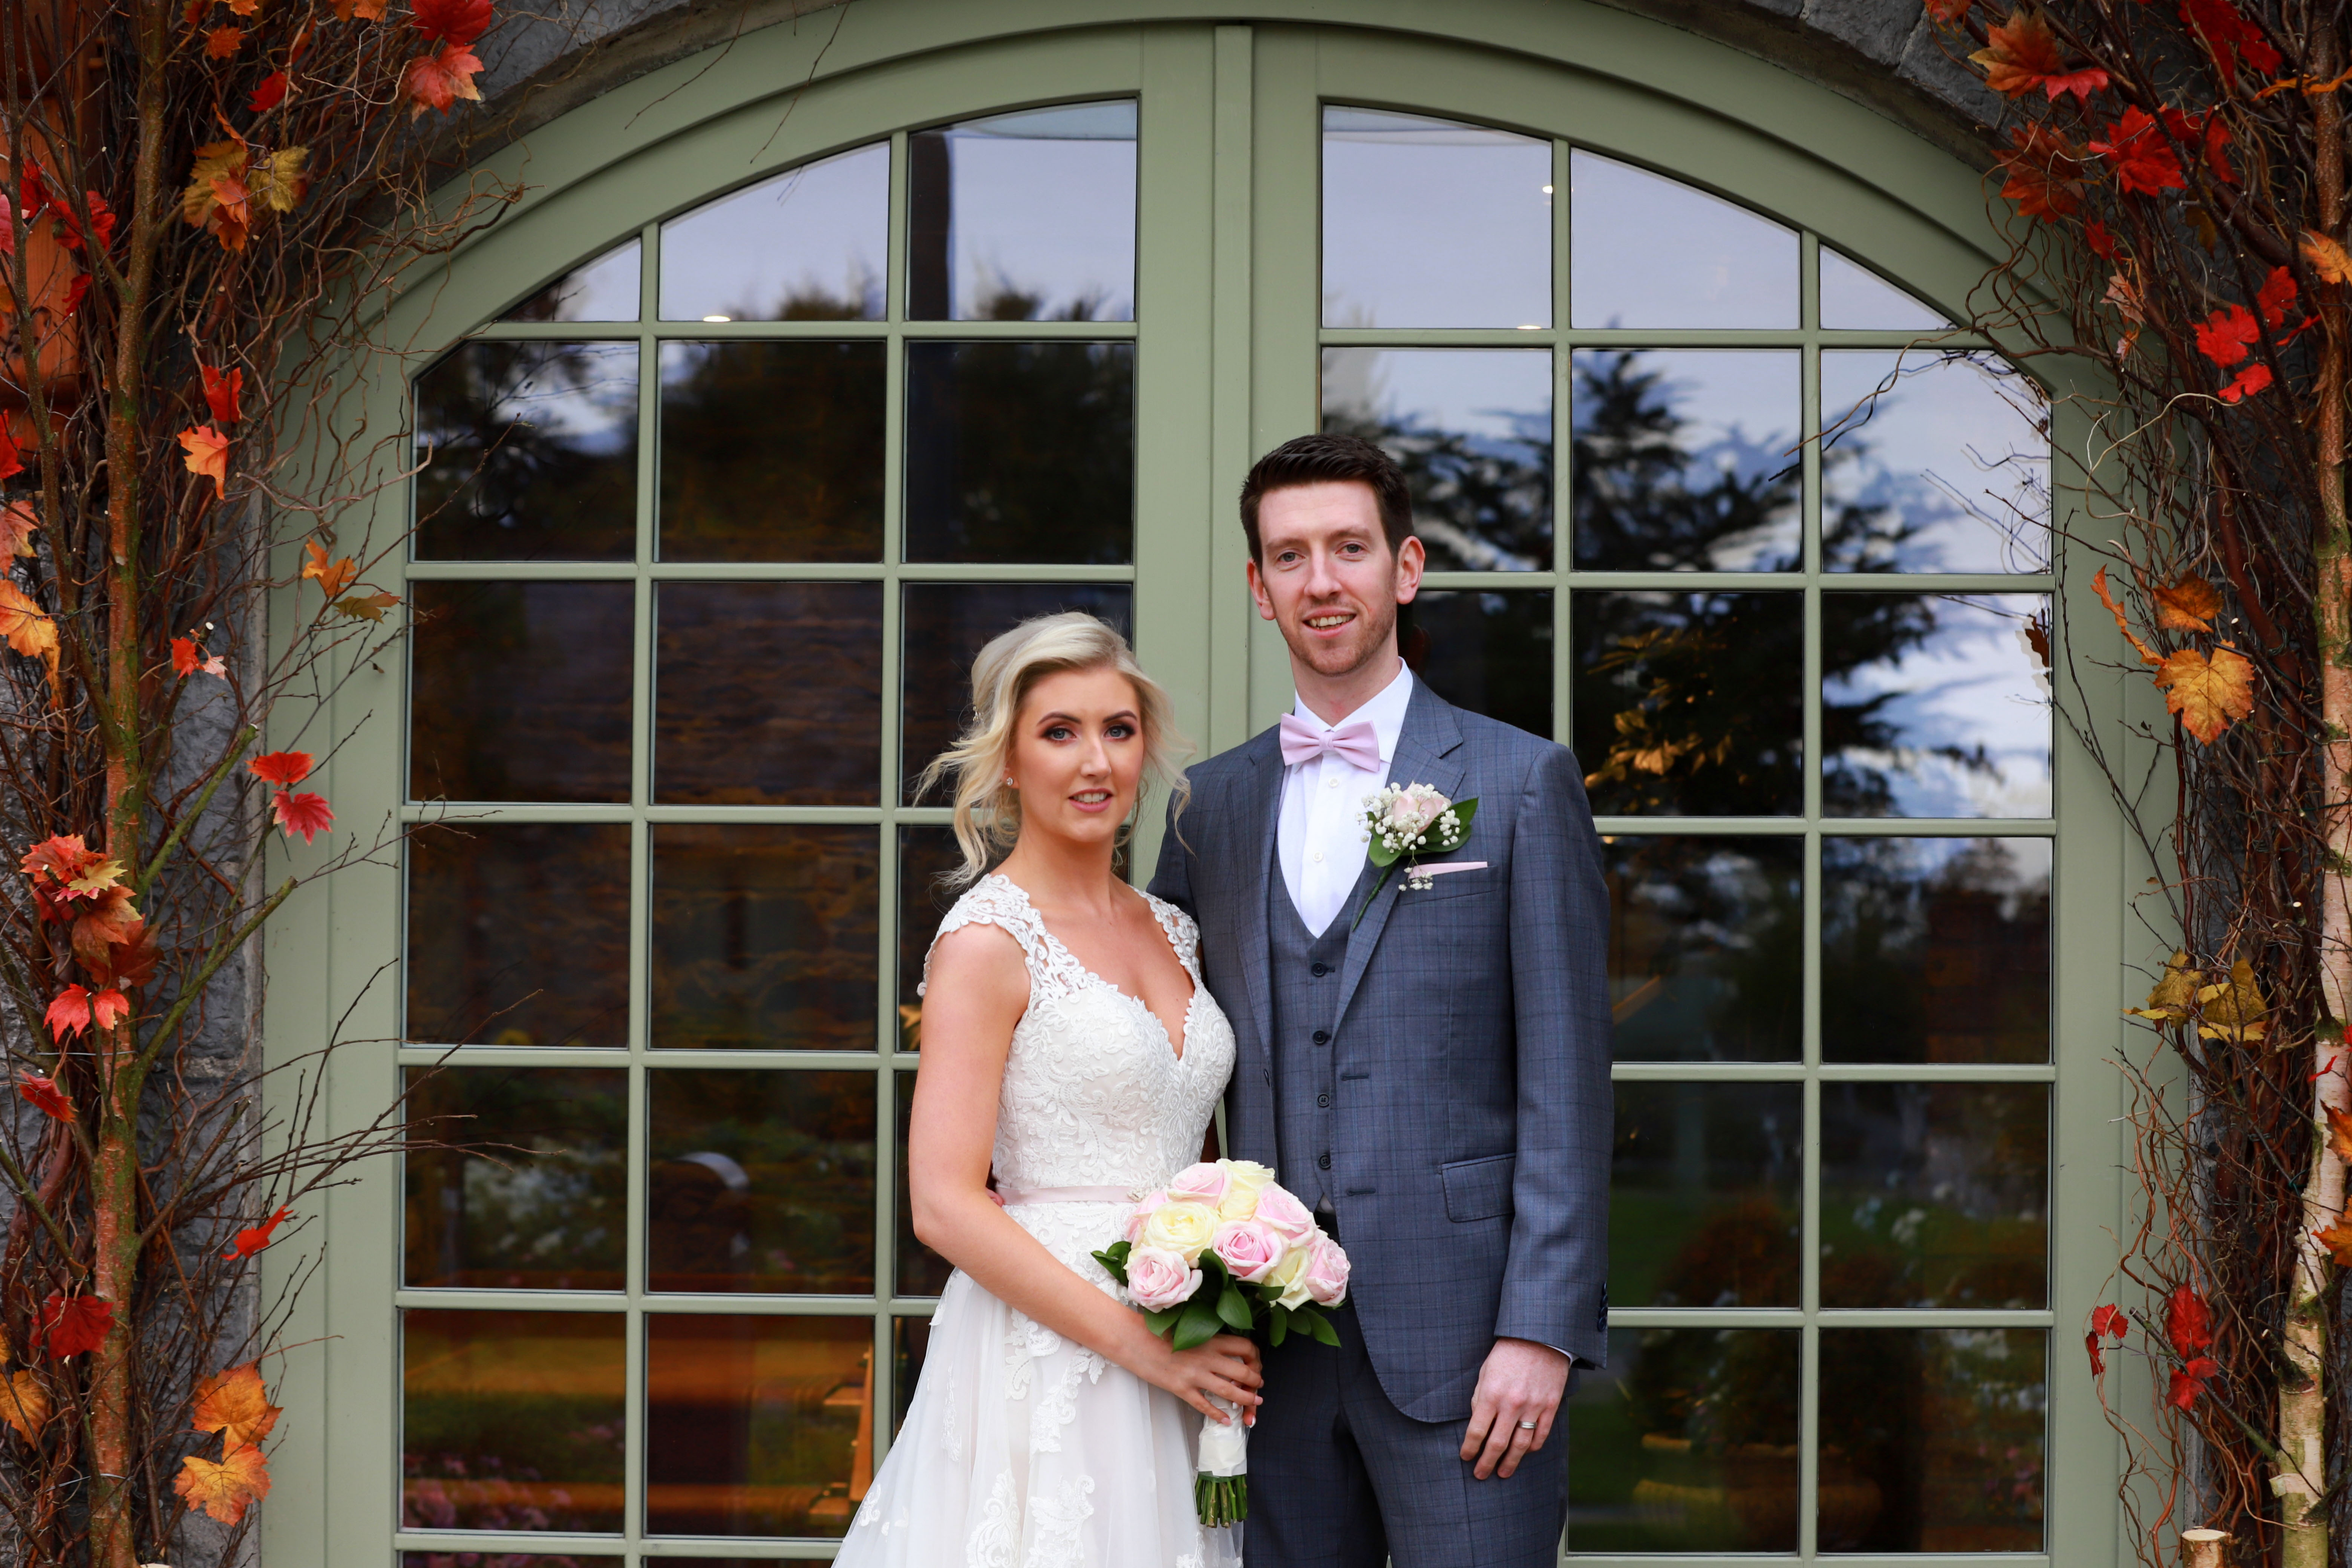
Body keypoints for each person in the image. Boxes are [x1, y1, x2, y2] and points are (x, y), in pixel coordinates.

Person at [1148, 433, 1613, 1567]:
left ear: (1405, 568)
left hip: (1472, 1350)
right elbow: (1159, 1054)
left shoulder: (1519, 780)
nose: (1322, 581)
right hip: (1268, 1354)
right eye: (1290, 556)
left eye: (1349, 548)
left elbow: (1567, 1081)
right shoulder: (1209, 808)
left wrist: (1540, 1330)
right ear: (1258, 587)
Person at [839, 612, 1253, 1568]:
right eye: (1060, 732)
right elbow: (943, 1204)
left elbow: (1190, 1152)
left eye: (1119, 729)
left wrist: (1229, 1287)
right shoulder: (986, 941)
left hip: (1181, 1333)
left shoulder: (1174, 929)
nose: (1095, 761)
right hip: (1049, 1355)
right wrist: (1142, 1346)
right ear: (1010, 762)